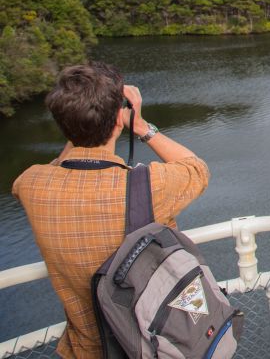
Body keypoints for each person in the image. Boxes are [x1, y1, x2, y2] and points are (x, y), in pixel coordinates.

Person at [12, 63, 210, 359]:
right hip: (154, 346)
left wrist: (77, 124)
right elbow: (197, 168)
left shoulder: (31, 185)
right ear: (119, 118)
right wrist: (140, 125)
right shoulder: (149, 186)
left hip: (88, 350)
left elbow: (57, 166)